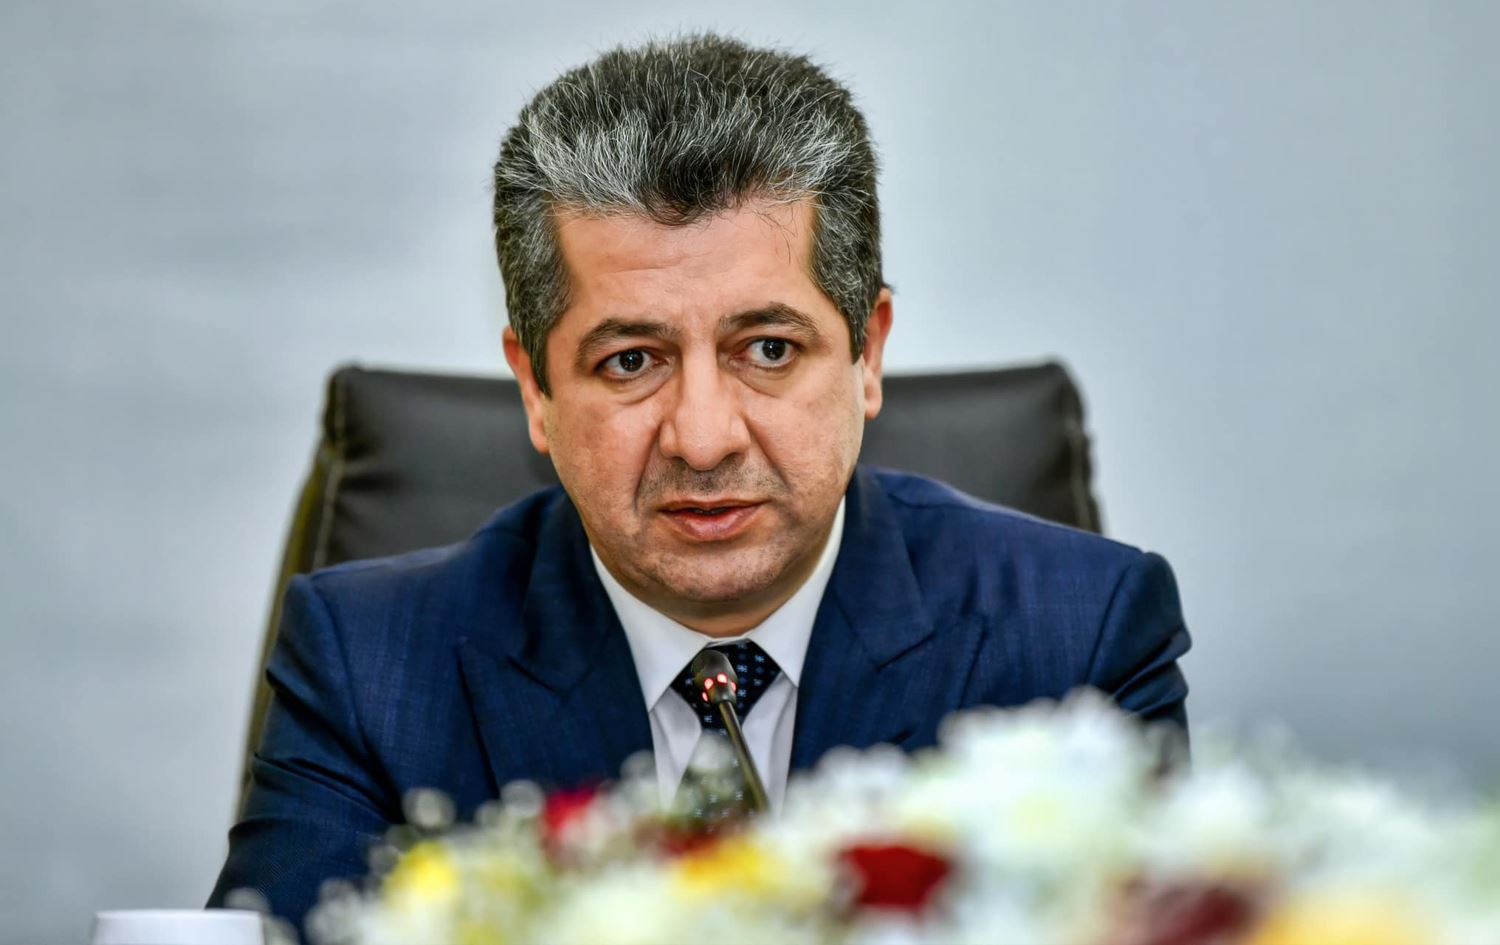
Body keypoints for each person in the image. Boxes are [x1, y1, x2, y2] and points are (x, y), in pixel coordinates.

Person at [209, 32, 1191, 934]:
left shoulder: (1077, 639)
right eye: (631, 361)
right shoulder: (372, 666)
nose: (705, 439)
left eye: (768, 348)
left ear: (867, 354)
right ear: (536, 390)